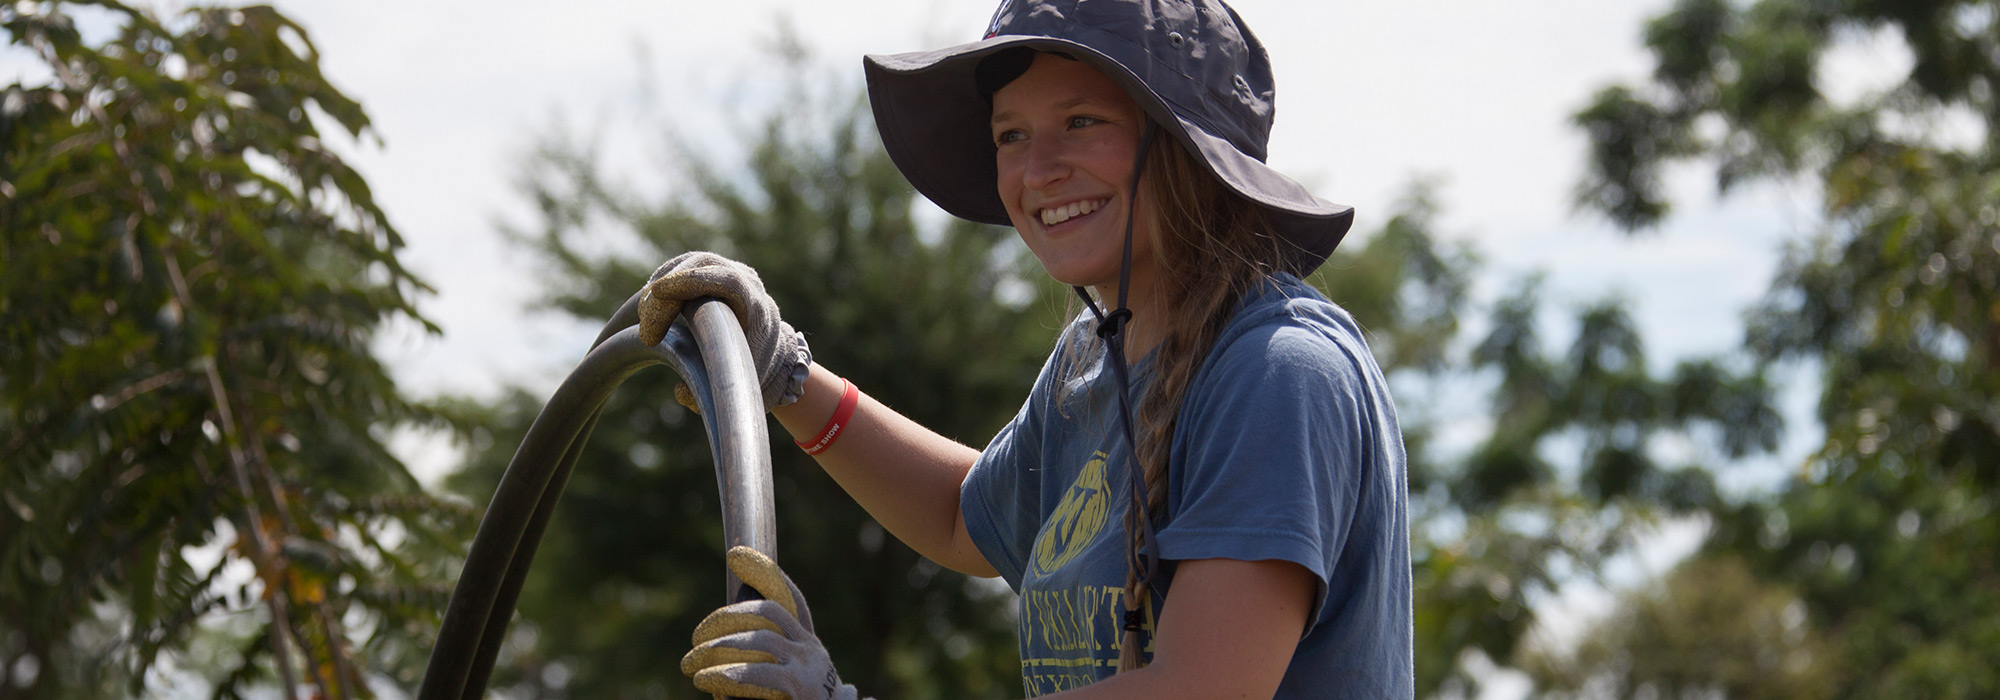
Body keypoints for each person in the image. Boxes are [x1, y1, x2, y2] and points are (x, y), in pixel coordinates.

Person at [646, 0, 1413, 697]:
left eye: (1082, 121)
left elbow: (1200, 687)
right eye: (1010, 135)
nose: (1036, 171)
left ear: (1187, 148)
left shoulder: (1278, 372)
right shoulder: (1092, 359)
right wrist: (785, 376)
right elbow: (960, 518)